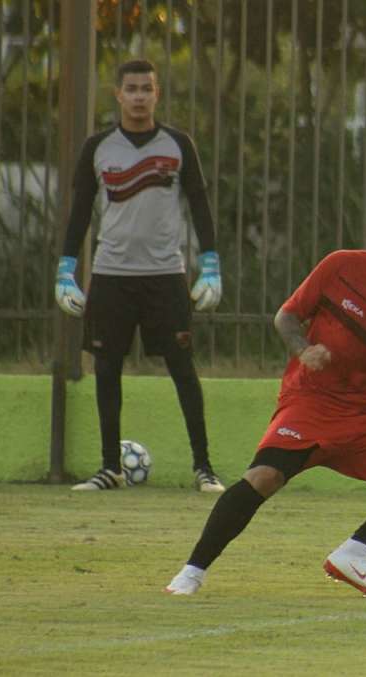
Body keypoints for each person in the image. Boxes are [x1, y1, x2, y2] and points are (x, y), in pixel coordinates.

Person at [165, 191, 366, 598]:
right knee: (264, 476)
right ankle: (192, 572)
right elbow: (286, 316)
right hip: (310, 403)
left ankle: (355, 553)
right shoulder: (341, 267)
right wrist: (304, 350)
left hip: (363, 419)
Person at [55, 59, 225, 493]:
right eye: (130, 88)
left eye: (146, 88)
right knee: (107, 369)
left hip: (166, 276)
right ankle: (110, 468)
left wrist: (211, 264)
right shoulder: (98, 147)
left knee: (183, 370)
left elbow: (200, 207)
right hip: (111, 276)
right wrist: (65, 270)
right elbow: (78, 215)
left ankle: (204, 468)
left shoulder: (178, 144)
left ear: (157, 94)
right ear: (118, 94)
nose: (138, 96)